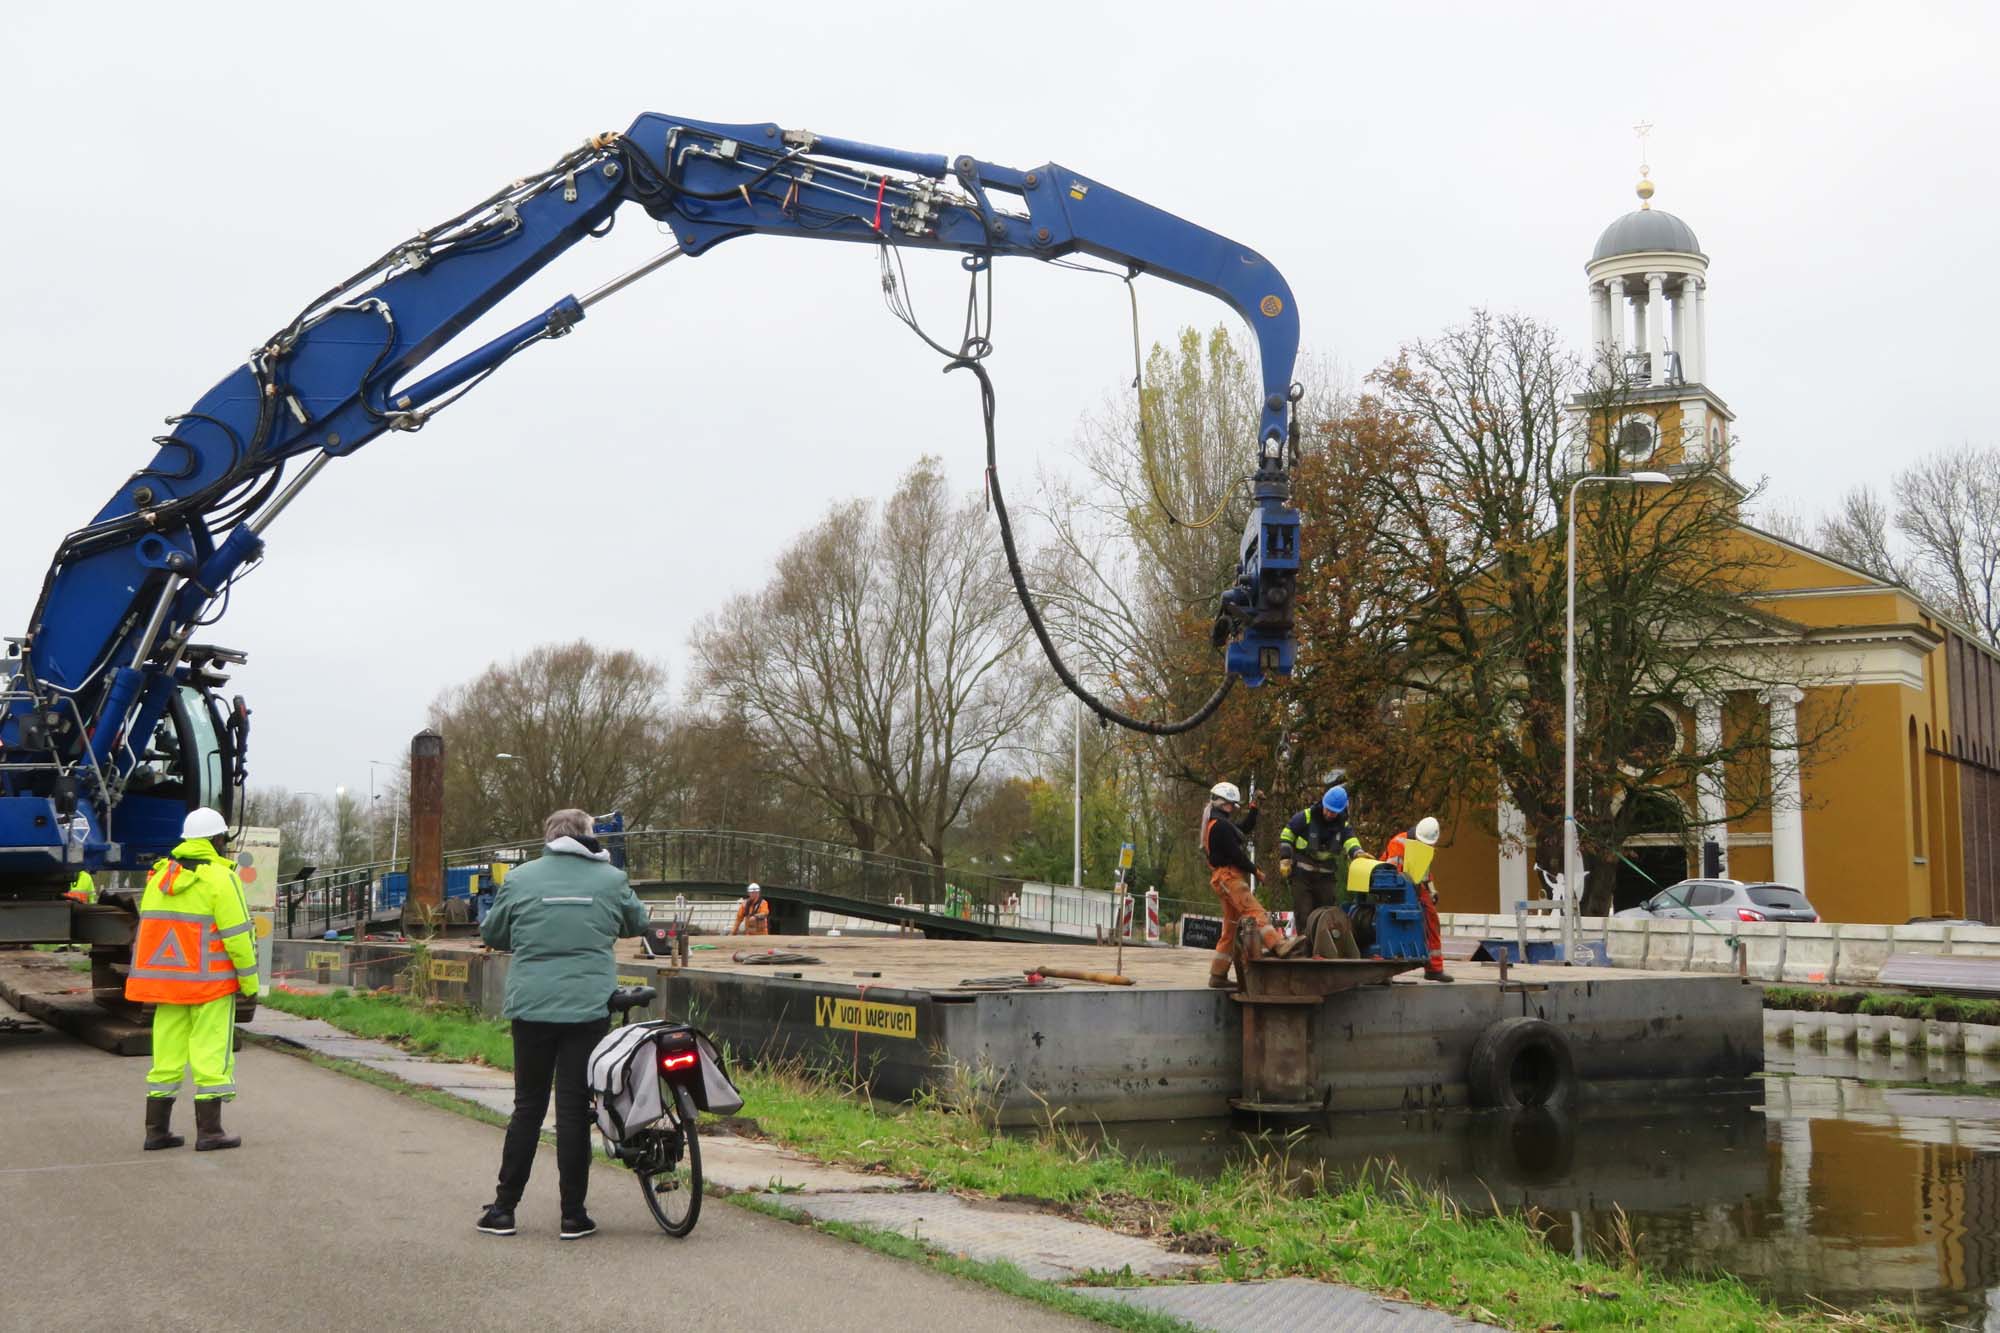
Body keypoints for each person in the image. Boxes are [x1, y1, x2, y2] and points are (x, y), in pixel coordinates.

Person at [477, 808, 650, 1240]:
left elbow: (494, 933)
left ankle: (503, 1209)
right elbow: (638, 923)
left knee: (528, 1108)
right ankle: (573, 1215)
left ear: (549, 837)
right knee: (573, 1110)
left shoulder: (520, 878)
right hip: (587, 1009)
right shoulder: (610, 879)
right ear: (589, 838)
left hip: (532, 1008)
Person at [124, 807, 259, 1152]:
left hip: (166, 986)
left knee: (166, 1056)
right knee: (211, 1055)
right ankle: (210, 1132)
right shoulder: (220, 878)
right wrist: (250, 983)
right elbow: (238, 935)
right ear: (216, 840)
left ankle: (156, 1131)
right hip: (210, 985)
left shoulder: (159, 878)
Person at [1201, 781, 1296, 988]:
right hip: (1229, 878)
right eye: (1233, 805)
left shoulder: (1219, 823)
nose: (1234, 809)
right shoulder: (1220, 826)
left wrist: (1254, 807)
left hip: (1223, 877)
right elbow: (1237, 855)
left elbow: (1242, 829)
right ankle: (1278, 945)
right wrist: (1256, 871)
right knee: (1255, 911)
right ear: (1225, 803)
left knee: (1231, 929)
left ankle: (1217, 975)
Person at [1277, 786, 1365, 951]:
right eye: (1327, 809)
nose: (1329, 813)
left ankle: (1323, 951)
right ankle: (1305, 950)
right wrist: (1285, 858)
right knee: (1304, 914)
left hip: (1325, 877)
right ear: (1323, 803)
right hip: (1302, 876)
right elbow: (1287, 835)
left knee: (1326, 915)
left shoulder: (1343, 826)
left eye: (1333, 811)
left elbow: (1351, 842)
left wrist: (1358, 853)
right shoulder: (1306, 817)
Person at [1383, 816, 1452, 982]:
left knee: (1431, 919)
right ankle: (1384, 969)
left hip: (1415, 886)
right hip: (1392, 886)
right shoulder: (1398, 843)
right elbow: (1392, 871)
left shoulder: (1425, 846)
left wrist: (1432, 890)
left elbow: (1424, 871)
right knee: (1389, 923)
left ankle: (1434, 968)